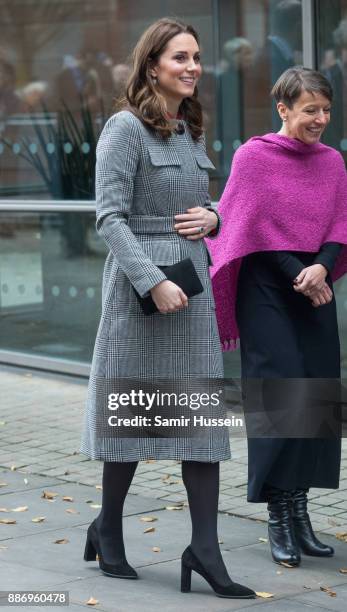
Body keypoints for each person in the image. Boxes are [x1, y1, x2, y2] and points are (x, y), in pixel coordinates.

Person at [80, 18, 255, 599]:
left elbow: (202, 204)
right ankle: (107, 528)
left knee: (198, 419)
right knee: (133, 413)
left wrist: (215, 218)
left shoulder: (187, 127)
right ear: (151, 64)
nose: (193, 67)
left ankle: (204, 549)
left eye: (198, 57)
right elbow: (108, 217)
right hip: (140, 292)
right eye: (181, 57)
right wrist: (152, 280)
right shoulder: (123, 128)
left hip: (193, 286)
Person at [207, 67, 347, 567]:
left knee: (316, 393)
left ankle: (299, 509)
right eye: (311, 109)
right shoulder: (254, 156)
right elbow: (245, 227)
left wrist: (322, 267)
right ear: (284, 109)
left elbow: (340, 221)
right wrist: (301, 272)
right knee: (281, 393)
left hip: (315, 284)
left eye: (326, 110)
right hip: (268, 287)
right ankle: (276, 516)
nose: (321, 119)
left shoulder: (332, 161)